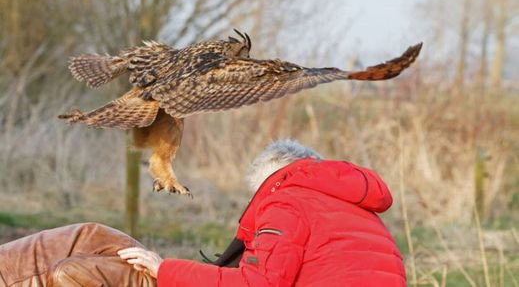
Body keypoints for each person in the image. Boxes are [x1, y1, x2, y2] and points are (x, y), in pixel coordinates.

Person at [0, 140, 405, 286]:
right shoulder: (357, 209)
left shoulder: (287, 199)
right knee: (93, 238)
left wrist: (165, 269)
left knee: (107, 264)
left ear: (273, 177)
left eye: (256, 194)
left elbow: (258, 286)